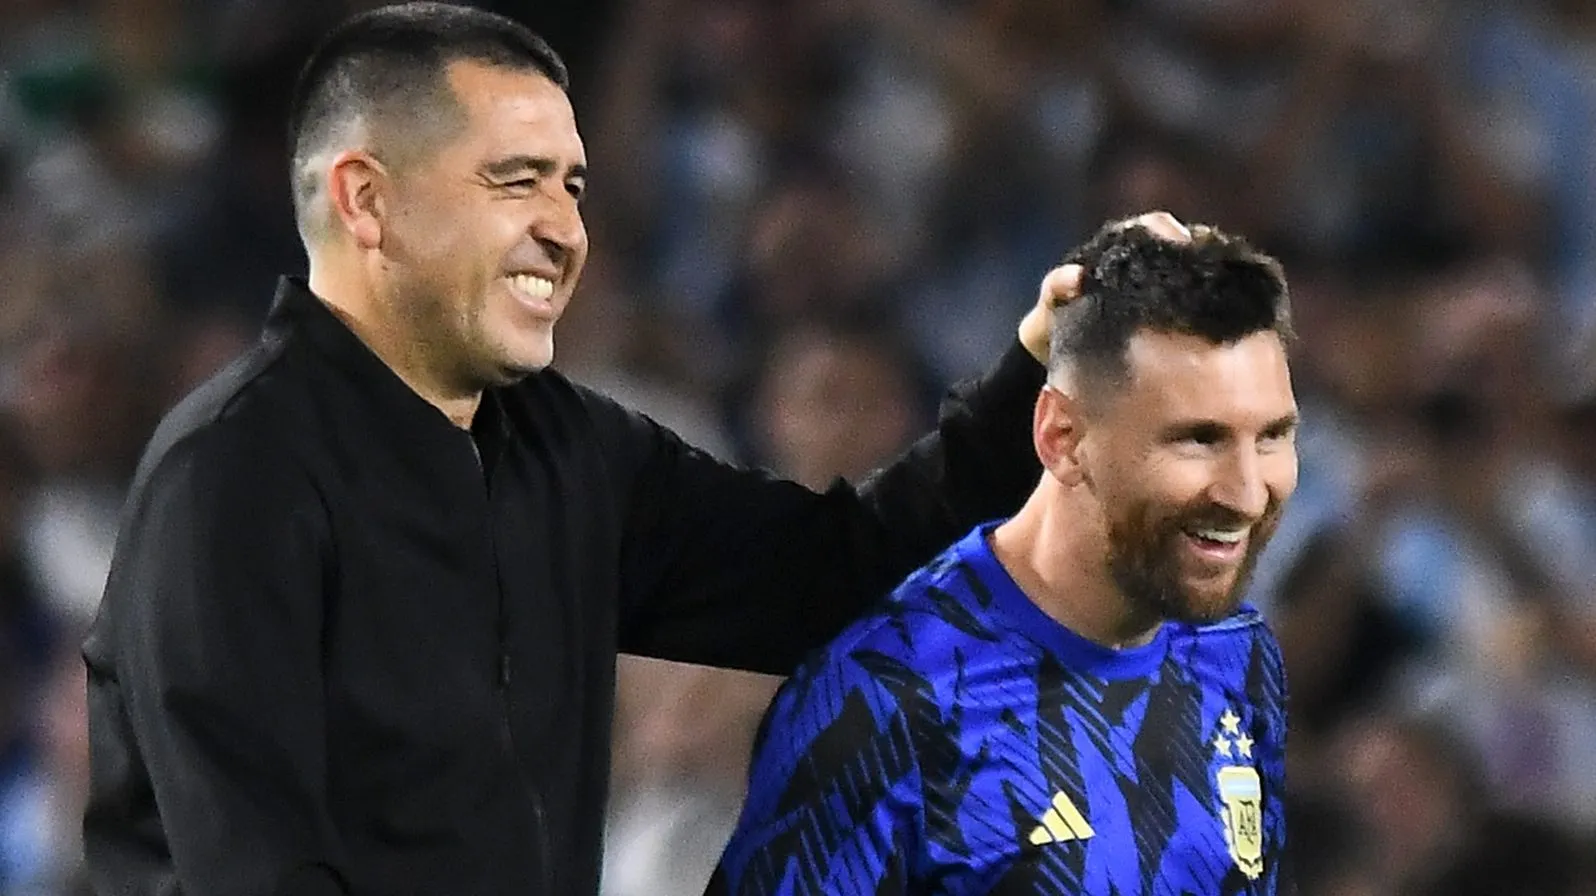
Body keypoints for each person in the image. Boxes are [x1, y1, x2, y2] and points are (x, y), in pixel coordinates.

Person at [76, 2, 1190, 894]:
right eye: (513, 181)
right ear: (367, 202)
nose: (562, 228)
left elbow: (838, 568)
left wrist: (1040, 363)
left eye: (570, 184)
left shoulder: (568, 451)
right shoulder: (231, 477)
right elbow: (247, 858)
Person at [708, 222, 1298, 894]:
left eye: (1273, 436)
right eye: (1198, 440)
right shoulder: (882, 702)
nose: (1247, 493)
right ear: (1062, 436)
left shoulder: (1236, 652)